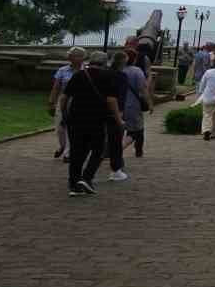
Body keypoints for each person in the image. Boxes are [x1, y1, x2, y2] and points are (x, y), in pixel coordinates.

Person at [60, 50, 124, 197]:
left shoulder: (79, 75)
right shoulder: (107, 76)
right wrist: (118, 119)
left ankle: (74, 184)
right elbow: (111, 100)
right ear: (105, 62)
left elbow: (64, 97)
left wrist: (64, 114)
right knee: (98, 150)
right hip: (97, 119)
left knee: (77, 151)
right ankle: (87, 177)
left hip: (75, 119)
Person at [105, 51, 134, 182]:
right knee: (115, 142)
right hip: (114, 112)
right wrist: (119, 115)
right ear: (124, 62)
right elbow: (118, 98)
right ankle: (116, 170)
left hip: (99, 111)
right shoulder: (121, 76)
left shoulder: (104, 73)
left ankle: (87, 173)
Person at [119, 48, 152, 162]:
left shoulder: (116, 70)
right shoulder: (136, 71)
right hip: (132, 105)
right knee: (136, 131)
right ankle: (119, 149)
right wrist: (150, 103)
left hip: (117, 104)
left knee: (118, 130)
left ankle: (137, 149)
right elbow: (143, 89)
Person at [48, 53, 77, 160]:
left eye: (78, 56)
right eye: (73, 55)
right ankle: (63, 146)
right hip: (63, 99)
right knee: (60, 126)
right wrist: (51, 102)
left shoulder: (85, 70)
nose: (74, 58)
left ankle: (68, 153)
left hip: (78, 101)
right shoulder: (62, 70)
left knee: (72, 127)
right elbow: (56, 87)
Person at [194, 54, 215, 142]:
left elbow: (202, 84)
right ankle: (214, 133)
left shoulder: (208, 72)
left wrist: (201, 93)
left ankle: (206, 131)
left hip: (208, 97)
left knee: (207, 115)